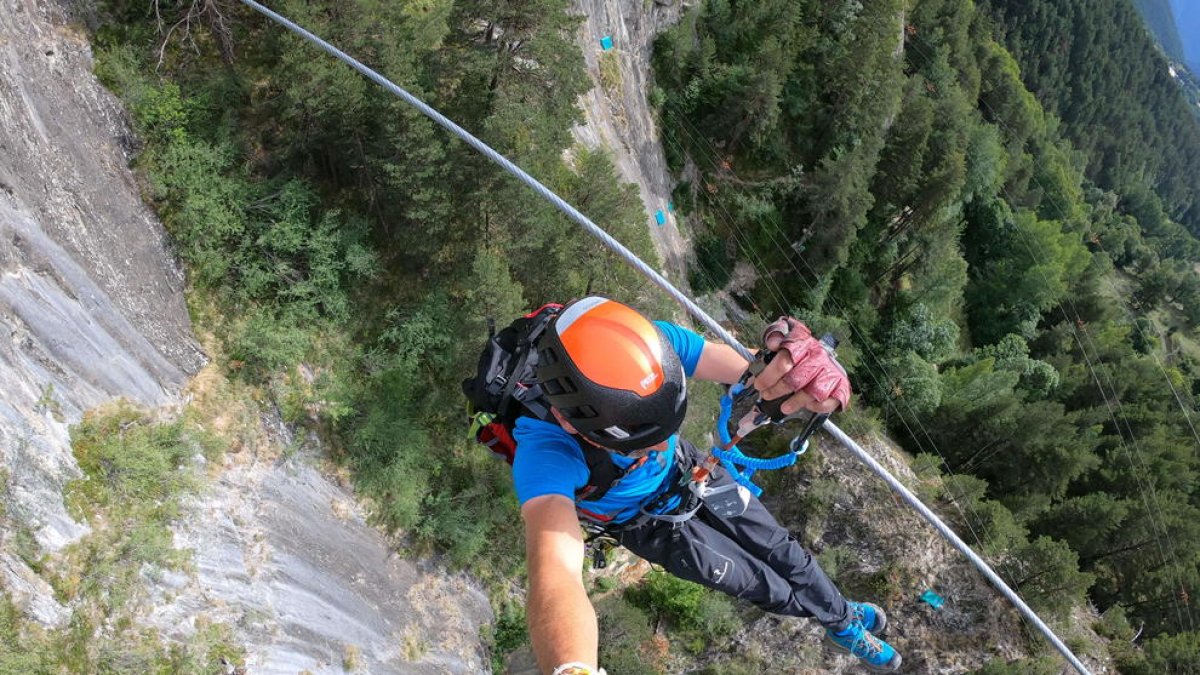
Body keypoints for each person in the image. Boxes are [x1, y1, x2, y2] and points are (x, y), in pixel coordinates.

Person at [514, 296, 902, 674]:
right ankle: (840, 616)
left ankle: (841, 618)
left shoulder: (645, 349)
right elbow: (556, 575)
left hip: (694, 469)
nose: (652, 448)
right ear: (572, 424)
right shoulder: (546, 453)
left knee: (783, 551)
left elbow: (754, 374)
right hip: (651, 526)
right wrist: (573, 669)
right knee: (764, 586)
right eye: (635, 443)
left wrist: (801, 370)